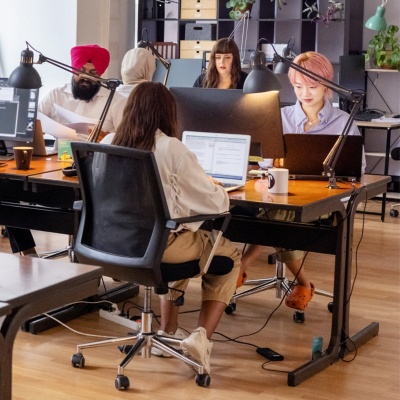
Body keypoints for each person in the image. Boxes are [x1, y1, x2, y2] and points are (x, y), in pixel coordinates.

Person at [100, 81, 241, 374]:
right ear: (168, 113)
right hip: (158, 249)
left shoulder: (107, 142)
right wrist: (216, 187)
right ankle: (201, 339)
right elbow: (215, 204)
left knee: (180, 234)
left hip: (111, 245)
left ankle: (167, 329)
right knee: (227, 257)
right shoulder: (171, 148)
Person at [236, 51, 365, 311]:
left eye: (312, 87)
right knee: (272, 212)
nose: (305, 93)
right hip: (279, 195)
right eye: (297, 87)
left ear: (327, 85)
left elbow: (356, 171)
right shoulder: (281, 118)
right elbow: (264, 162)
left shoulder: (343, 123)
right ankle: (302, 282)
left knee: (275, 214)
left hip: (322, 200)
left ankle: (242, 265)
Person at [6, 44, 127, 257]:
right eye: (80, 71)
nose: (85, 77)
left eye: (93, 73)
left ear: (102, 75)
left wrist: (107, 137)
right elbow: (30, 122)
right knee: (7, 190)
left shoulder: (115, 101)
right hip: (56, 166)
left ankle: (88, 268)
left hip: (95, 174)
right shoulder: (55, 96)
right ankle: (27, 252)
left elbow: (128, 140)